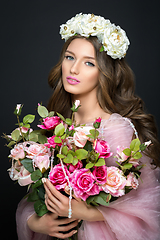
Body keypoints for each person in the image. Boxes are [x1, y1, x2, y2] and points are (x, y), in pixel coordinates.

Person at [16, 13, 160, 239]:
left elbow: (147, 207)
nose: (74, 70)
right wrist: (35, 221)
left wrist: (87, 212)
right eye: (70, 57)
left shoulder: (115, 129)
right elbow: (36, 196)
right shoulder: (57, 127)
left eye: (89, 63)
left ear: (105, 73)